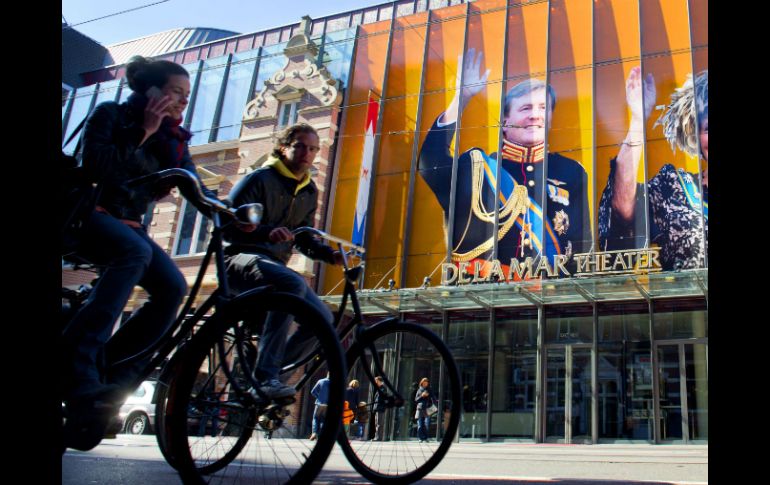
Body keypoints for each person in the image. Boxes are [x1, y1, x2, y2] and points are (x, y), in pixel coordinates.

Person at [62, 56, 215, 448]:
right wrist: (142, 133)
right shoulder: (111, 115)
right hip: (87, 215)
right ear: (149, 92)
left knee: (173, 287)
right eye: (175, 93)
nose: (182, 102)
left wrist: (229, 212)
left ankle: (107, 378)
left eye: (186, 95)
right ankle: (76, 359)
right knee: (134, 253)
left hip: (128, 227)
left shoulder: (175, 142)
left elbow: (195, 184)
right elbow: (96, 166)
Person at [418, 48, 590, 274]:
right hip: (485, 294)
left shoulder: (571, 172)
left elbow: (581, 244)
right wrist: (461, 99)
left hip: (552, 296)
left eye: (543, 108)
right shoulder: (477, 169)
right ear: (505, 122)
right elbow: (430, 164)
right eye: (526, 108)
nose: (535, 115)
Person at [223, 123, 344, 401]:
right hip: (238, 260)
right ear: (283, 147)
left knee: (323, 319)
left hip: (273, 266)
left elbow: (303, 238)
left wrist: (330, 255)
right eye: (300, 146)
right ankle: (265, 378)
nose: (306, 153)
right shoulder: (260, 179)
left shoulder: (308, 191)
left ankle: (270, 372)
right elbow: (227, 223)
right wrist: (266, 231)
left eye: (313, 148)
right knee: (291, 284)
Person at [598, 68, 708, 270]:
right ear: (696, 135)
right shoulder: (676, 187)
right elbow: (623, 211)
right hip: (690, 301)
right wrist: (638, 121)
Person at [309, 372, 330, 441]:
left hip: (319, 403)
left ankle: (314, 433)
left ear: (327, 374)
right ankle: (322, 435)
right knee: (324, 419)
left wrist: (318, 397)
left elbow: (312, 391)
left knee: (315, 418)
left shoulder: (321, 381)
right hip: (327, 405)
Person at [414, 377, 436, 443]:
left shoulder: (430, 390)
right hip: (420, 408)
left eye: (426, 383)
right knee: (420, 424)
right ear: (422, 383)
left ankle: (425, 438)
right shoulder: (419, 390)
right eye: (424, 383)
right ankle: (421, 438)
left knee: (426, 424)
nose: (425, 384)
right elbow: (416, 400)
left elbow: (434, 398)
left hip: (427, 408)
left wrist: (434, 403)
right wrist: (422, 395)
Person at [372, 376, 389, 441]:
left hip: (380, 408)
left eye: (376, 381)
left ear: (379, 381)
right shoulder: (380, 388)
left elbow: (382, 399)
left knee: (379, 423)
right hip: (378, 408)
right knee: (377, 423)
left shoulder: (383, 389)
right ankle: (377, 437)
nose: (375, 382)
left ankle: (378, 437)